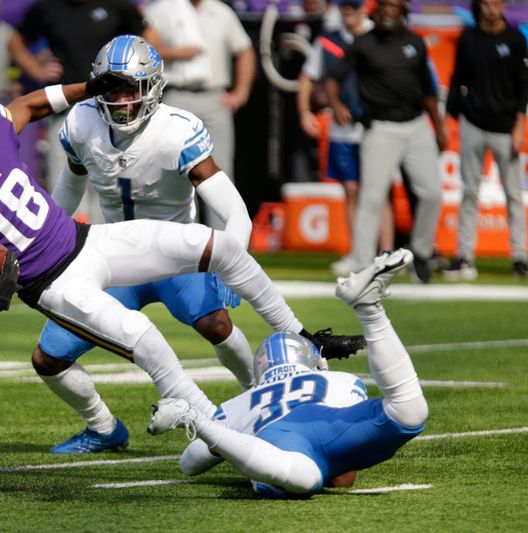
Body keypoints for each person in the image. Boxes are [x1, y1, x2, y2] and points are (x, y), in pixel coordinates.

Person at [0, 74, 366, 453]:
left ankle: (303, 336)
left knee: (217, 245)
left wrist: (89, 88)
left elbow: (33, 105)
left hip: (87, 240)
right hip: (53, 287)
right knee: (145, 339)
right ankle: (218, 429)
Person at [34, 35, 271, 453]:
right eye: (112, 88)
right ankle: (103, 428)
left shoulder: (176, 131)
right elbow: (67, 194)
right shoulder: (82, 123)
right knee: (47, 358)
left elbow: (235, 212)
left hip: (175, 257)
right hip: (109, 259)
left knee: (216, 325)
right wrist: (43, 249)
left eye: (131, 88)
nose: (122, 100)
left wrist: (233, 266)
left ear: (154, 87)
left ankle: (262, 402)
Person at [148, 248, 428, 498]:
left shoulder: (238, 406)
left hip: (280, 439)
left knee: (305, 477)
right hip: (326, 422)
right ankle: (370, 309)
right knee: (409, 414)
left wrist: (225, 441)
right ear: (311, 360)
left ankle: (195, 418)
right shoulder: (340, 380)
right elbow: (345, 478)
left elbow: (189, 464)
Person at [324, 0, 448, 283]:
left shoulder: (416, 42)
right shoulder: (363, 44)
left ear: (403, 12)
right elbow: (332, 78)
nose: (388, 11)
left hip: (417, 124)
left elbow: (427, 89)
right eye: (384, 6)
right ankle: (363, 264)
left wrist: (439, 126)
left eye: (394, 6)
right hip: (381, 128)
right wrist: (335, 104)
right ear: (375, 12)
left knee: (431, 193)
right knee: (371, 198)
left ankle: (422, 253)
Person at [14, 0, 151, 219]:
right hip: (65, 111)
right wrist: (37, 70)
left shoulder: (117, 5)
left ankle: (108, 237)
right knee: (64, 177)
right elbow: (14, 41)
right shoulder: (48, 7)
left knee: (109, 177)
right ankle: (71, 242)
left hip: (109, 107)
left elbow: (147, 38)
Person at [296, 0, 395, 276]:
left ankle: (386, 252)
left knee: (377, 189)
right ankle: (357, 250)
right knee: (351, 189)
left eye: (353, 9)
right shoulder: (329, 41)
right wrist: (307, 111)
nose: (349, 15)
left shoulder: (380, 35)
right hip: (343, 127)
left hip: (376, 124)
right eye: (345, 10)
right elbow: (310, 76)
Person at [143, 0, 255, 228]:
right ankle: (183, 241)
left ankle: (226, 243)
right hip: (176, 95)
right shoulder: (164, 9)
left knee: (220, 171)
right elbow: (144, 51)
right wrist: (176, 52)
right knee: (176, 171)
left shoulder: (220, 11)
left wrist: (241, 91)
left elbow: (244, 49)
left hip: (214, 97)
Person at [442, 0, 528, 281]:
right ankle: (465, 256)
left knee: (514, 194)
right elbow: (457, 80)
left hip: (505, 127)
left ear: (503, 6)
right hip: (473, 123)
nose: (492, 8)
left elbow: (522, 87)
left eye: (496, 3)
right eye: (487, 3)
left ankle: (520, 257)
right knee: (469, 191)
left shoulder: (515, 39)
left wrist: (519, 126)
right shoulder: (469, 38)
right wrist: (448, 118)